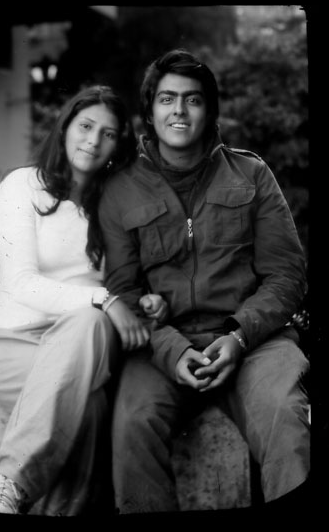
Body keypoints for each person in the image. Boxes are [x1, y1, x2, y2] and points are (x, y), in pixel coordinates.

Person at [98, 49, 310, 513]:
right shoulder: (120, 189)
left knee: (285, 417)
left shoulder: (252, 174)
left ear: (210, 110)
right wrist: (171, 350)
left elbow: (286, 274)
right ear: (150, 112)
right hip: (161, 346)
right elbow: (124, 291)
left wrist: (239, 335)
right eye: (167, 99)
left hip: (254, 342)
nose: (179, 110)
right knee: (132, 424)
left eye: (192, 100)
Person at [0, 85, 167, 516]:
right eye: (86, 126)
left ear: (118, 145)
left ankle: (5, 491)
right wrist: (103, 299)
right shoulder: (22, 185)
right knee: (90, 405)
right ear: (65, 128)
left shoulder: (113, 203)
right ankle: (13, 493)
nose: (93, 141)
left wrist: (144, 302)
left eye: (108, 134)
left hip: (89, 344)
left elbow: (129, 280)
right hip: (16, 343)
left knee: (88, 322)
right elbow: (19, 282)